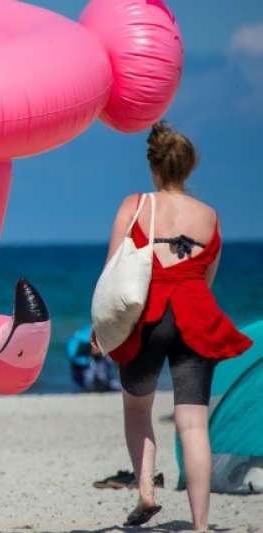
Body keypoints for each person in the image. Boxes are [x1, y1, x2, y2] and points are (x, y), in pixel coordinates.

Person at [92, 122, 252, 530]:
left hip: (147, 316)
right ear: (189, 168)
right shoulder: (210, 217)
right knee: (193, 423)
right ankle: (200, 525)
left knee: (137, 407)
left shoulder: (136, 205)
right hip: (195, 317)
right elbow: (206, 278)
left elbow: (114, 273)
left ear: (154, 166)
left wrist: (101, 329)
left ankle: (146, 490)